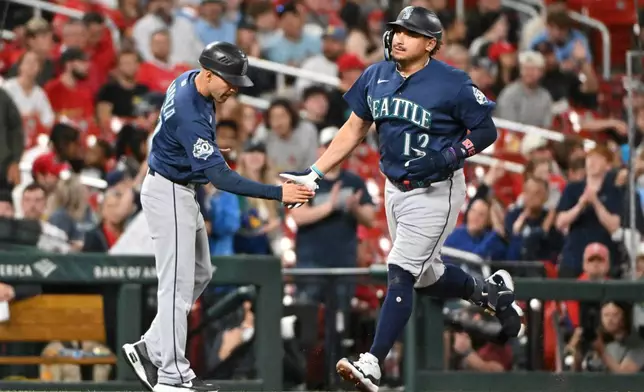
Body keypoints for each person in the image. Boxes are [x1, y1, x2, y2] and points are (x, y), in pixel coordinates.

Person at [280, 6, 523, 392]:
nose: (398, 38)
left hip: (436, 192)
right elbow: (354, 127)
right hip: (395, 188)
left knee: (401, 270)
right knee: (425, 278)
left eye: (409, 33)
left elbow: (486, 130)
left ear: (431, 44)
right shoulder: (376, 74)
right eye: (396, 30)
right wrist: (315, 172)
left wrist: (450, 155)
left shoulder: (453, 82)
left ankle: (373, 361)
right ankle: (489, 293)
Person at [121, 41, 314, 392]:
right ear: (209, 74)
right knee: (176, 286)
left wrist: (204, 149)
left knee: (200, 273)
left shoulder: (189, 79)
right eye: (229, 81)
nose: (234, 89)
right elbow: (222, 178)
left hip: (179, 187)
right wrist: (277, 192)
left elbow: (178, 138)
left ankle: (151, 346)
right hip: (169, 193)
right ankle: (172, 376)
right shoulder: (189, 108)